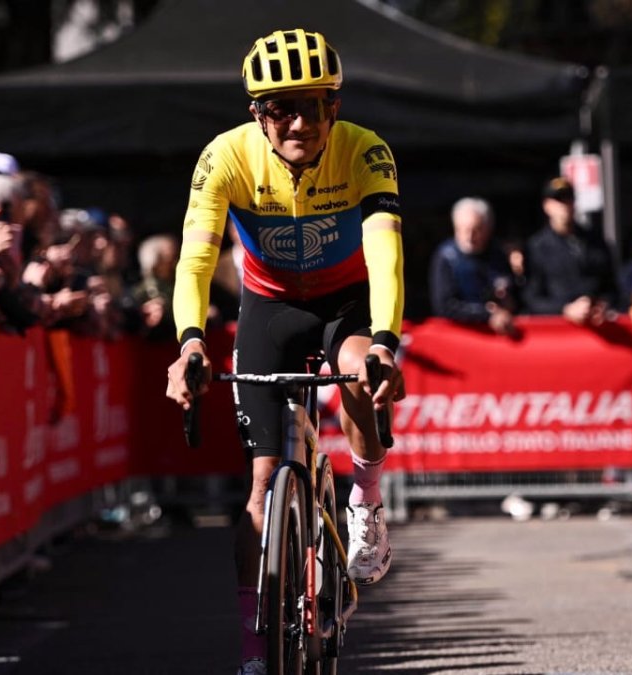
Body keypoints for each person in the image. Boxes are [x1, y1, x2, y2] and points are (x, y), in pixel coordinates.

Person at [162, 29, 405, 675]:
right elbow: (194, 259)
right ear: (256, 114)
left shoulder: (364, 149)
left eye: (315, 105)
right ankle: (254, 650)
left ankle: (366, 500)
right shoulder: (225, 157)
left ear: (335, 105)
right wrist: (189, 341)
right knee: (262, 486)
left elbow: (385, 253)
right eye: (280, 108)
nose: (299, 121)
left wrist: (384, 340)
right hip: (269, 307)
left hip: (346, 301)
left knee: (360, 369)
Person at [523, 178, 617, 324]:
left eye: (569, 199)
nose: (565, 205)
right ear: (546, 206)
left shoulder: (595, 241)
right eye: (559, 200)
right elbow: (532, 298)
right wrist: (564, 309)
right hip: (560, 332)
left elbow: (612, 286)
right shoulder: (537, 247)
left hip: (598, 326)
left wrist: (603, 305)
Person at [429, 196, 517, 334]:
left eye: (476, 230)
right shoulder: (447, 256)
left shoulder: (498, 254)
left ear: (488, 229)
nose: (469, 237)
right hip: (461, 336)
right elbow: (444, 306)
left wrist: (507, 300)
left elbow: (512, 291)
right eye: (463, 230)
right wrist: (486, 314)